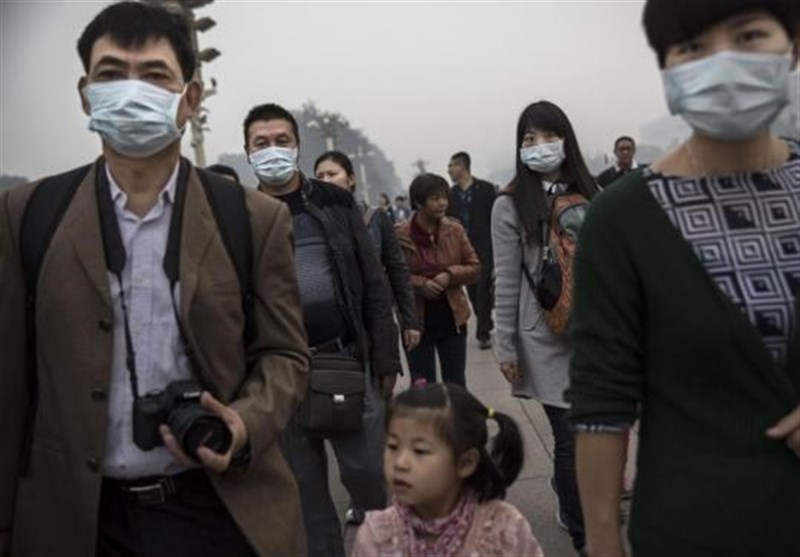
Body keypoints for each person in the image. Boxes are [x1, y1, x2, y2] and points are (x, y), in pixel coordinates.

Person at [0, 3, 310, 557]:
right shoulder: (28, 214)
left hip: (216, 508)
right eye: (111, 73)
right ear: (85, 94)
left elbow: (285, 354)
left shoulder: (252, 220)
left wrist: (243, 423)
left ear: (190, 98)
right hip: (77, 520)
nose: (131, 90)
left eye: (154, 75)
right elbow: (10, 383)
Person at [566, 2, 800, 556]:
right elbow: (602, 400)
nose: (723, 62)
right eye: (693, 46)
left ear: (792, 46)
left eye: (748, 35)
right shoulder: (621, 219)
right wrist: (603, 541)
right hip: (695, 530)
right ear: (667, 69)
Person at [243, 103, 402, 557]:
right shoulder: (240, 212)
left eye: (281, 140)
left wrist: (385, 356)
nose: (272, 150)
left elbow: (372, 281)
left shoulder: (335, 201)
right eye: (261, 143)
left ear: (297, 145)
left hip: (346, 362)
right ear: (247, 151)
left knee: (369, 475)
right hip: (279, 374)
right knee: (305, 497)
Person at [492, 100, 600, 554]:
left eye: (548, 136)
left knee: (597, 433)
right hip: (544, 334)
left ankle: (578, 501)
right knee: (570, 436)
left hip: (594, 332)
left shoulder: (593, 193)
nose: (539, 146)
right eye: (528, 139)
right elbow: (505, 278)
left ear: (565, 140)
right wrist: (506, 346)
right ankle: (584, 536)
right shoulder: (509, 203)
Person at [352, 382, 543, 557]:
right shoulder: (376, 536)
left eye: (420, 450)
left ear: (465, 463)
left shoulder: (504, 530)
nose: (400, 463)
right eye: (393, 446)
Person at [314, 151, 421, 353]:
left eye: (332, 174)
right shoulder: (313, 223)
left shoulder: (376, 218)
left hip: (377, 318)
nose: (325, 180)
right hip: (336, 328)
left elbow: (397, 270)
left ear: (351, 179)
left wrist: (410, 321)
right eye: (320, 176)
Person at [395, 173, 480, 388]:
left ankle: (457, 412)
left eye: (444, 197)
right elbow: (389, 274)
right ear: (418, 202)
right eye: (435, 198)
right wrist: (420, 284)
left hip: (452, 317)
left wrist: (449, 275)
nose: (443, 203)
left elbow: (474, 267)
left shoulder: (455, 230)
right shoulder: (399, 235)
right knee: (422, 386)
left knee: (456, 383)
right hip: (415, 320)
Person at [447, 151, 498, 350]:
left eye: (452, 166)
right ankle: (486, 320)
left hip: (484, 247)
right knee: (473, 291)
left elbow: (495, 219)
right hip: (463, 251)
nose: (449, 170)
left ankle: (483, 333)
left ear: (463, 166)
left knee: (484, 288)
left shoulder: (486, 190)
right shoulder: (451, 195)